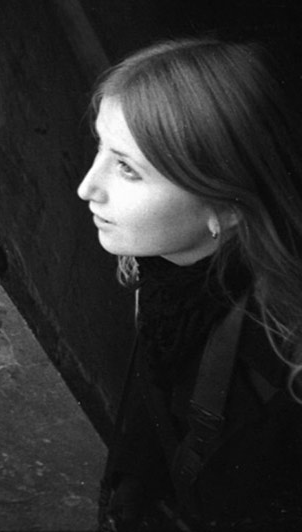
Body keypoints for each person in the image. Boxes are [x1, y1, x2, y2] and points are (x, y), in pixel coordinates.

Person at [77, 37, 302, 531]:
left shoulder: (279, 361)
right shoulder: (164, 270)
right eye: (101, 148)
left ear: (226, 205)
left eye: (127, 168)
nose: (87, 187)